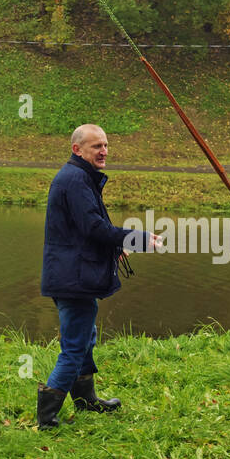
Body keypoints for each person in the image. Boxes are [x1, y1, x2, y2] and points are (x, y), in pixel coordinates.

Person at [38, 124, 161, 429]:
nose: (104, 151)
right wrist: (138, 239)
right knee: (75, 345)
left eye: (106, 145)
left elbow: (82, 231)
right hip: (73, 279)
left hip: (72, 273)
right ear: (77, 149)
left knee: (86, 336)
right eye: (96, 147)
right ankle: (47, 416)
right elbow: (93, 228)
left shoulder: (79, 176)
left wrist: (115, 249)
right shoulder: (76, 179)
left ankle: (86, 399)